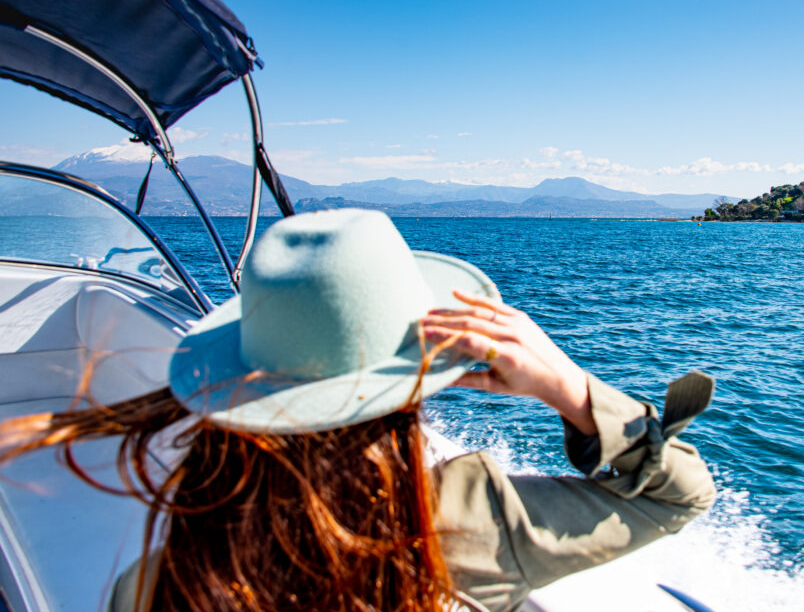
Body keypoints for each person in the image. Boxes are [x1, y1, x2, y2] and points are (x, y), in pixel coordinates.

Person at [0, 209, 716, 612]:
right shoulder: (461, 523)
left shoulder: (162, 578)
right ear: (405, 396)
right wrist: (566, 385)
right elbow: (682, 493)